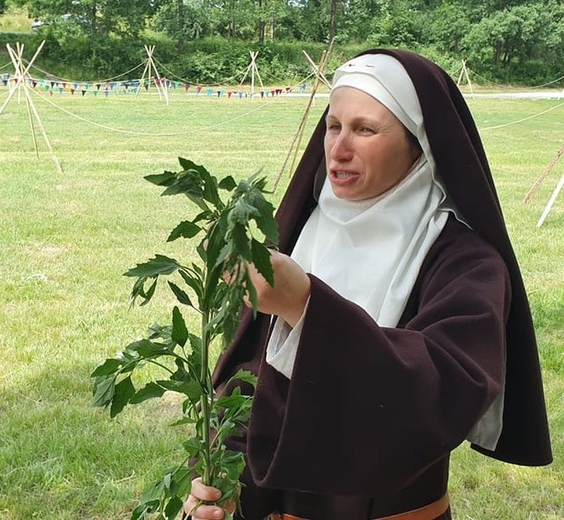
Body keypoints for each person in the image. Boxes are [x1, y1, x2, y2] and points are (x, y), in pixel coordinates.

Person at [183, 49, 552, 520]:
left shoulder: (467, 263)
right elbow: (245, 382)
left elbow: (440, 396)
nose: (338, 148)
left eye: (365, 129)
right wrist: (220, 479)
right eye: (333, 126)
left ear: (419, 143)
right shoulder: (297, 234)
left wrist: (307, 307)